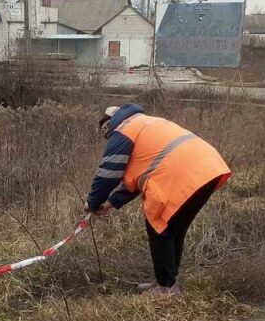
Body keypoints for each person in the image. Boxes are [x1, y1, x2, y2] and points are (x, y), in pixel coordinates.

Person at [84, 102, 231, 295]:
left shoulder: (123, 131)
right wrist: (111, 203)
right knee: (174, 229)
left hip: (181, 175)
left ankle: (166, 289)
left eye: (106, 130)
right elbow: (136, 178)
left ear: (110, 122)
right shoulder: (146, 123)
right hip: (207, 169)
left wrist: (92, 203)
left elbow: (108, 173)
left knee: (159, 228)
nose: (107, 136)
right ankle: (169, 283)